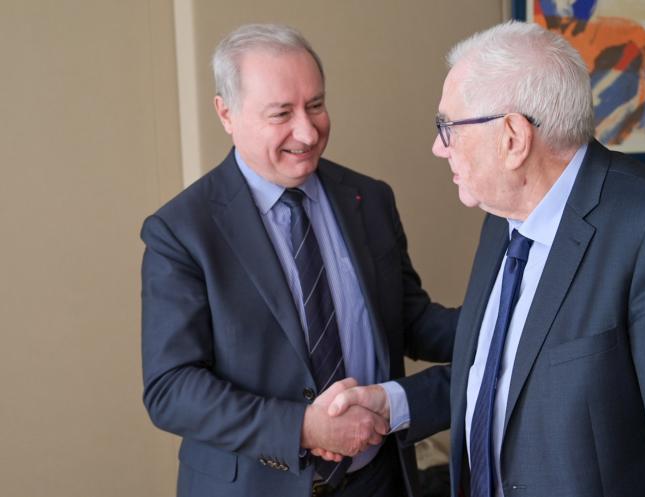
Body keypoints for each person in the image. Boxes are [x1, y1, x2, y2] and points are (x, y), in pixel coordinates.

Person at [328, 21, 645, 497]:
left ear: (513, 137)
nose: (438, 147)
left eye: (447, 127)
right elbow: (509, 367)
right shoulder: (501, 217)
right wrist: (396, 403)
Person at [140, 23, 457, 497]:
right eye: (281, 113)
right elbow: (172, 389)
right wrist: (304, 428)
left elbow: (407, 319)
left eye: (316, 105)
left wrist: (508, 324)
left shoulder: (368, 198)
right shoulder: (181, 230)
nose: (307, 132)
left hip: (377, 480)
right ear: (226, 113)